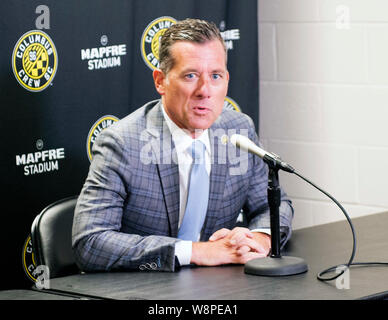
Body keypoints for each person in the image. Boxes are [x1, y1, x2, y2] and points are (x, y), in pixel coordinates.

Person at [72, 18, 294, 272]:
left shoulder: (238, 130)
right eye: (190, 76)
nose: (205, 90)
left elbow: (272, 206)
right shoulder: (123, 143)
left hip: (219, 287)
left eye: (215, 76)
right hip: (145, 289)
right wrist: (198, 252)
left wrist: (259, 240)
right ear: (160, 81)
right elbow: (90, 243)